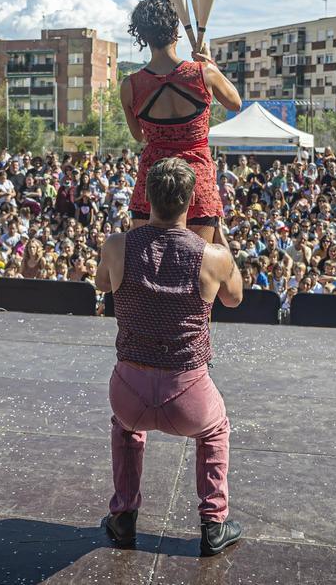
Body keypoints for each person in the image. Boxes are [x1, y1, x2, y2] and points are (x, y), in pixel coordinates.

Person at [95, 157, 245, 557]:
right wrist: (221, 234)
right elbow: (235, 298)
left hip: (128, 391)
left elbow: (101, 283)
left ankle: (123, 516)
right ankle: (214, 524)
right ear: (192, 201)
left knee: (126, 429)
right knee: (215, 430)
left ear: (146, 197)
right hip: (188, 395)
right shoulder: (213, 257)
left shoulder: (116, 246)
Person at [121, 0, 242, 242]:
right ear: (176, 32)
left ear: (142, 37)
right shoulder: (203, 73)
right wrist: (209, 64)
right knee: (198, 267)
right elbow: (235, 102)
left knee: (145, 265)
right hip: (197, 179)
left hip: (153, 182)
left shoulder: (130, 86)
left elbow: (139, 135)